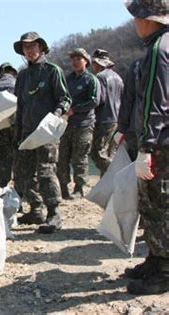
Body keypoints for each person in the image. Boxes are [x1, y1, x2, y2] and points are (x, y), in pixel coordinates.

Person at [124, 0, 168, 295]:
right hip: (163, 141)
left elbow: (156, 102)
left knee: (158, 205)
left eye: (137, 17)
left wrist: (146, 147)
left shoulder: (158, 51)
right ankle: (156, 258)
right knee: (155, 203)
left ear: (149, 19)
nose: (134, 23)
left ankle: (164, 270)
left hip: (161, 143)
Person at [13, 32, 72, 234]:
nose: (29, 51)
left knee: (46, 171)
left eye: (33, 46)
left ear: (41, 48)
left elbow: (65, 99)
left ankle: (54, 213)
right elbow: (20, 106)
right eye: (25, 48)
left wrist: (56, 115)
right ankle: (35, 209)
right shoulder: (22, 76)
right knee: (25, 173)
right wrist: (18, 133)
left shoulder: (52, 71)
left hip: (46, 131)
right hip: (27, 132)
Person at [57, 48, 100, 199]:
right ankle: (63, 186)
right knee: (62, 156)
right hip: (65, 124)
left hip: (84, 124)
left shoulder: (91, 79)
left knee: (80, 157)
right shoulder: (67, 79)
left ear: (86, 61)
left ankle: (79, 188)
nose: (75, 62)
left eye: (78, 59)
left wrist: (75, 110)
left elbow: (94, 101)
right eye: (73, 59)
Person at [90, 49, 124, 176]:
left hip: (103, 119)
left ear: (97, 63)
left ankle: (116, 174)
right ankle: (107, 184)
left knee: (97, 153)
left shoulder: (100, 77)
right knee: (111, 153)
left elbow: (99, 100)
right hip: (117, 120)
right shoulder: (119, 78)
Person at [116, 59, 142, 162]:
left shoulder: (138, 65)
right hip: (161, 132)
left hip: (137, 129)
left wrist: (122, 128)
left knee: (135, 168)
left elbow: (128, 99)